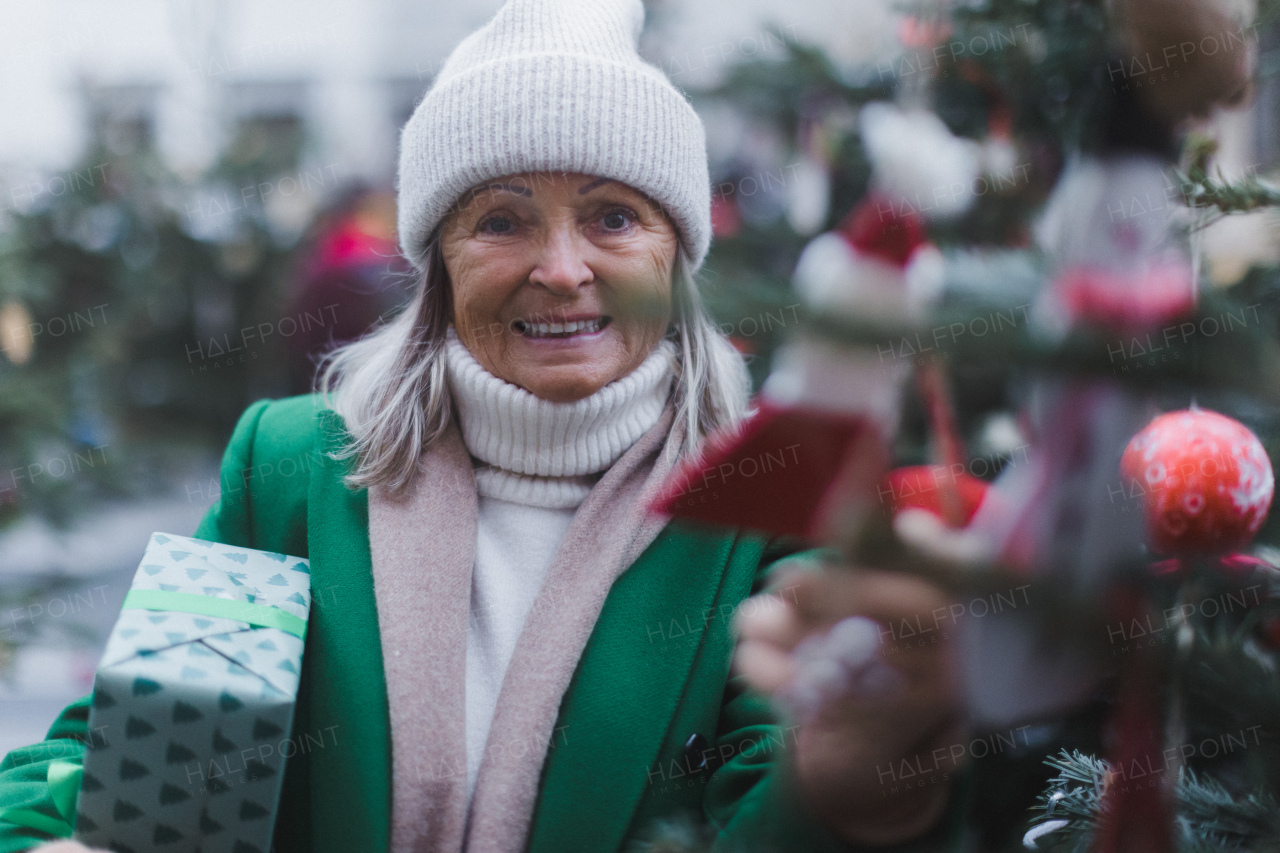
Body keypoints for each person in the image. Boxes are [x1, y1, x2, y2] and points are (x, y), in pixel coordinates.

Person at [0, 0, 967, 850]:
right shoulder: (291, 468)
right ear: (439, 265)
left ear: (678, 252)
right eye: (501, 221)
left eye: (614, 218)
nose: (560, 267)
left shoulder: (768, 498)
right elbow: (114, 769)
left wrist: (846, 780)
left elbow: (780, 814)